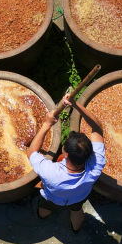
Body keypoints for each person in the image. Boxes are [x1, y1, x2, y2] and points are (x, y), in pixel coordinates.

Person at [26, 93, 105, 234]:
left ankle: (41, 216)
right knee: (77, 210)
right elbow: (97, 128)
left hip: (53, 199)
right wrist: (76, 104)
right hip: (78, 198)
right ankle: (75, 229)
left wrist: (46, 124)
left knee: (45, 207)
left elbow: (31, 152)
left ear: (66, 154)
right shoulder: (96, 165)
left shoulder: (50, 172)